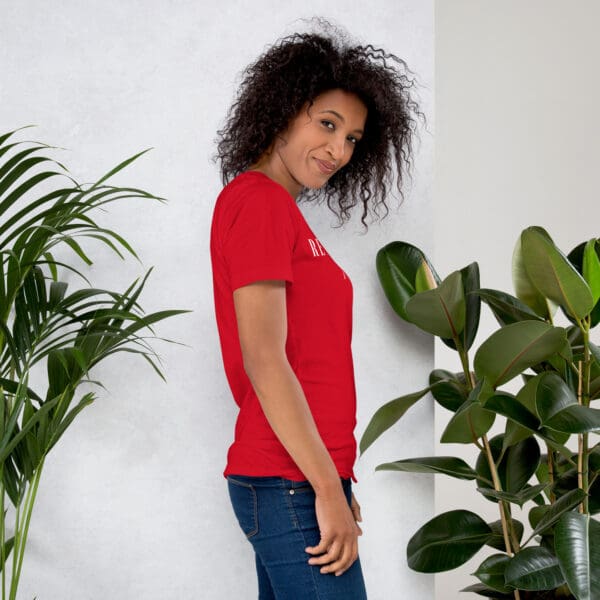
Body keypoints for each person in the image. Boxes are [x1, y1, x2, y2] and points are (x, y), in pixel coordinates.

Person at [210, 24, 423, 600]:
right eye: (326, 124)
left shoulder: (281, 212)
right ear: (281, 111)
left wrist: (333, 479)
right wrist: (325, 489)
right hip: (286, 477)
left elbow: (309, 360)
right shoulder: (257, 203)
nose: (338, 150)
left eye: (353, 137)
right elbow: (265, 358)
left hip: (299, 474)